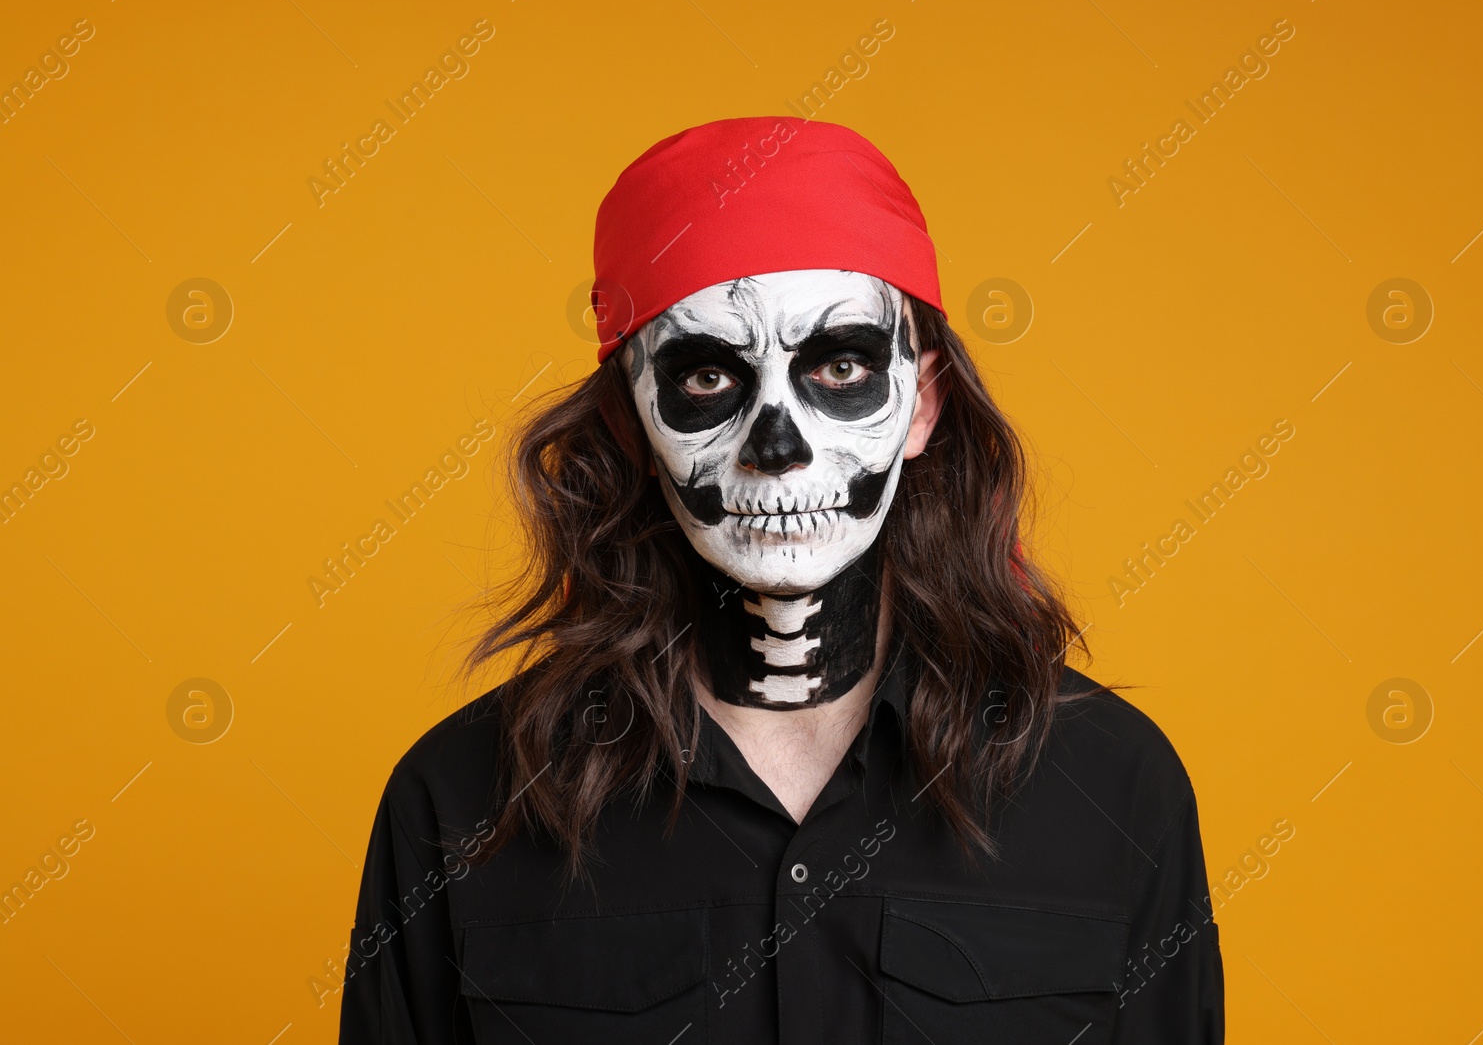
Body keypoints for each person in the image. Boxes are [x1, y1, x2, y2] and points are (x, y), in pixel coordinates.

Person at [337, 116, 1224, 1044]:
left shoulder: (1111, 789)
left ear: (920, 404)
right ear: (634, 425)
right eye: (710, 377)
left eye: (840, 366)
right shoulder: (462, 806)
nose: (777, 447)